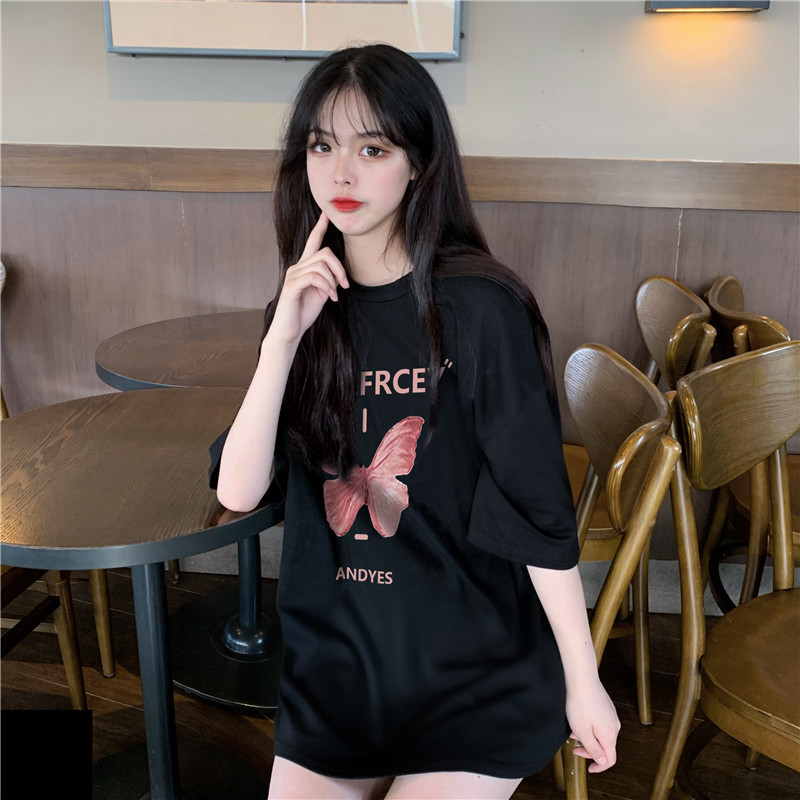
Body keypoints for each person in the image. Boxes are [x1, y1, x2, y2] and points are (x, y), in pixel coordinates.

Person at [210, 43, 620, 800]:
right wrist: (281, 342)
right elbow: (237, 491)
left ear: (419, 163)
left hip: (473, 670)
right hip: (340, 673)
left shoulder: (482, 308)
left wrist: (582, 679)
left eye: (372, 149)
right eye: (322, 146)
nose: (341, 174)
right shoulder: (301, 314)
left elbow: (535, 509)